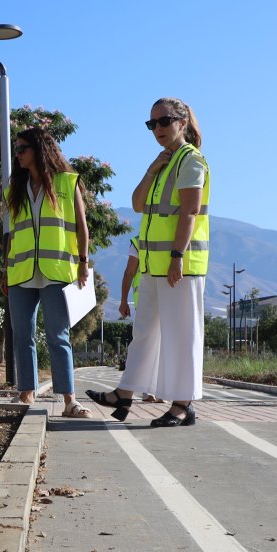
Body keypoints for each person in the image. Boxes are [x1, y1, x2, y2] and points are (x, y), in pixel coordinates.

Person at [88, 97, 210, 427]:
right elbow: (138, 204)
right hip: (153, 267)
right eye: (151, 124)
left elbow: (189, 212)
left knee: (182, 336)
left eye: (164, 121)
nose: (157, 128)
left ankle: (183, 405)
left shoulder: (190, 160)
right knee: (144, 333)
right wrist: (151, 168)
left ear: (182, 123)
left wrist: (177, 257)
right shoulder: (165, 163)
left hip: (178, 265)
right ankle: (125, 393)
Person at [1, 127, 91, 418]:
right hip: (21, 272)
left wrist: (83, 262)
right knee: (22, 334)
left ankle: (69, 401)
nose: (17, 154)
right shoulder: (14, 188)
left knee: (58, 336)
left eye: (22, 148)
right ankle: (26, 394)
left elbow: (80, 225)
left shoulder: (67, 181)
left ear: (39, 149)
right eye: (16, 149)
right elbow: (13, 234)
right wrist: (5, 269)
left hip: (56, 271)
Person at [119, 237, 163, 403]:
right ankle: (149, 390)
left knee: (153, 345)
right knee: (150, 344)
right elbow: (129, 272)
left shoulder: (139, 241)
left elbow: (129, 272)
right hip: (148, 300)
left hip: (154, 300)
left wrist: (124, 300)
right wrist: (123, 300)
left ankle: (153, 390)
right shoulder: (138, 242)